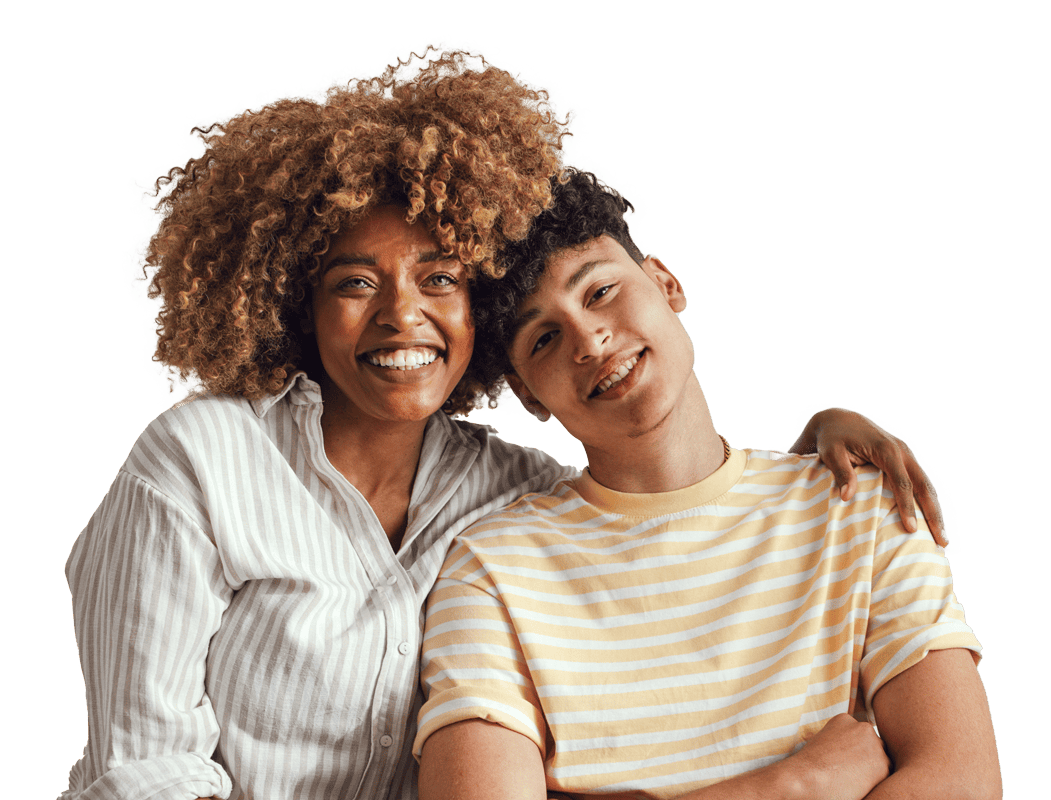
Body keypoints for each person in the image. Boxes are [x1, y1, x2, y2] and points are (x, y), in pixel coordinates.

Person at [63, 42, 948, 800]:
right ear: (296, 305)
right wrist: (790, 786)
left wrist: (817, 435)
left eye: (440, 278)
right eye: (353, 282)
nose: (401, 317)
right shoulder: (200, 462)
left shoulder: (505, 493)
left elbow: (659, 490)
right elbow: (145, 769)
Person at [415, 169, 1001, 800]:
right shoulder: (492, 572)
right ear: (530, 394)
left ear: (666, 283)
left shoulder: (857, 505)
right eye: (545, 338)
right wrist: (797, 784)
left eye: (601, 291)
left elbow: (961, 781)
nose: (589, 339)